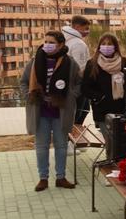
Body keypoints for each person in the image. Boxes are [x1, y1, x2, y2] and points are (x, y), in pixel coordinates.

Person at [20, 31, 81, 191]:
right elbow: (24, 82)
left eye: (51, 42)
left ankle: (60, 177)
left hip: (60, 111)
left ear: (60, 44)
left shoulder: (70, 63)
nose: (47, 44)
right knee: (41, 146)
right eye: (45, 41)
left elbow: (78, 83)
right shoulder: (35, 62)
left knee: (61, 146)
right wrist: (29, 94)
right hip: (40, 111)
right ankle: (43, 178)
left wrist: (71, 95)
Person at [81, 34, 126, 142]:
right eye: (103, 44)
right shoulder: (92, 63)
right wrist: (100, 97)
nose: (106, 46)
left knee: (121, 141)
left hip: (121, 109)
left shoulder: (123, 61)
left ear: (115, 46)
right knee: (110, 142)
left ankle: (119, 159)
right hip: (102, 110)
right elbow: (85, 88)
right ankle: (112, 159)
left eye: (110, 44)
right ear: (99, 46)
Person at [63, 15, 91, 125]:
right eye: (86, 28)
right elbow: (80, 67)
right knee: (78, 113)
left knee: (84, 109)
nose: (87, 32)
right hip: (78, 84)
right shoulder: (78, 43)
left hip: (68, 84)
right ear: (77, 26)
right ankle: (72, 137)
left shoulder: (65, 39)